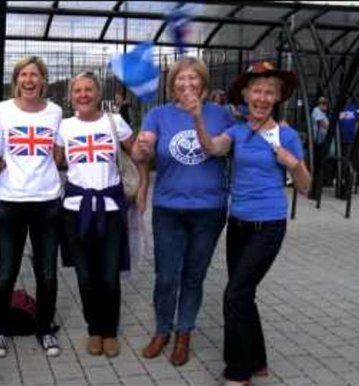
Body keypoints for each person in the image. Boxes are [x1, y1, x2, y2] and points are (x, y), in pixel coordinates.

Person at [194, 61, 311, 386]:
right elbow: (212, 148)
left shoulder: (286, 135)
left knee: (234, 296)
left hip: (269, 224)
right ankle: (256, 360)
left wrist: (293, 163)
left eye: (268, 92)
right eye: (256, 90)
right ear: (245, 94)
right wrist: (196, 118)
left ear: (277, 97)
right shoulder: (238, 130)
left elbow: (305, 186)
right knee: (243, 296)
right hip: (239, 223)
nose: (261, 97)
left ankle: (238, 372)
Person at [132, 57, 234, 367]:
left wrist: (197, 117)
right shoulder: (158, 115)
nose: (186, 84)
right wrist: (142, 148)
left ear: (202, 82)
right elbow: (140, 152)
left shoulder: (223, 115)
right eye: (180, 78)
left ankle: (184, 332)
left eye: (193, 78)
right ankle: (163, 329)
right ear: (172, 83)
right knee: (166, 277)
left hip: (209, 209)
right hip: (169, 209)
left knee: (193, 277)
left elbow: (219, 149)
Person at [55, 72, 148, 358]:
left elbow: (136, 153)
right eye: (77, 91)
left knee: (108, 275)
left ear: (98, 93)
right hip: (75, 209)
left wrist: (144, 163)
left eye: (88, 89)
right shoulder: (65, 126)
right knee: (85, 276)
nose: (83, 95)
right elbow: (56, 161)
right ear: (72, 97)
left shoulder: (114, 121)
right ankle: (93, 329)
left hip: (110, 209)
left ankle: (110, 331)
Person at [0, 56, 62, 358]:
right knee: (6, 271)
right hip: (10, 201)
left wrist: (45, 174)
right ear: (16, 80)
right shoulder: (2, 110)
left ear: (43, 80)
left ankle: (45, 328)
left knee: (47, 273)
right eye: (23, 75)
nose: (29, 80)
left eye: (35, 75)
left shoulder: (55, 112)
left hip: (46, 201)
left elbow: (57, 152)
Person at [311, 96, 330, 192]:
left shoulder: (323, 113)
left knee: (322, 162)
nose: (326, 106)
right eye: (324, 104)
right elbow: (324, 124)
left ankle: (321, 182)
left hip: (322, 141)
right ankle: (315, 185)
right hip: (317, 142)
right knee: (317, 163)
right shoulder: (317, 111)